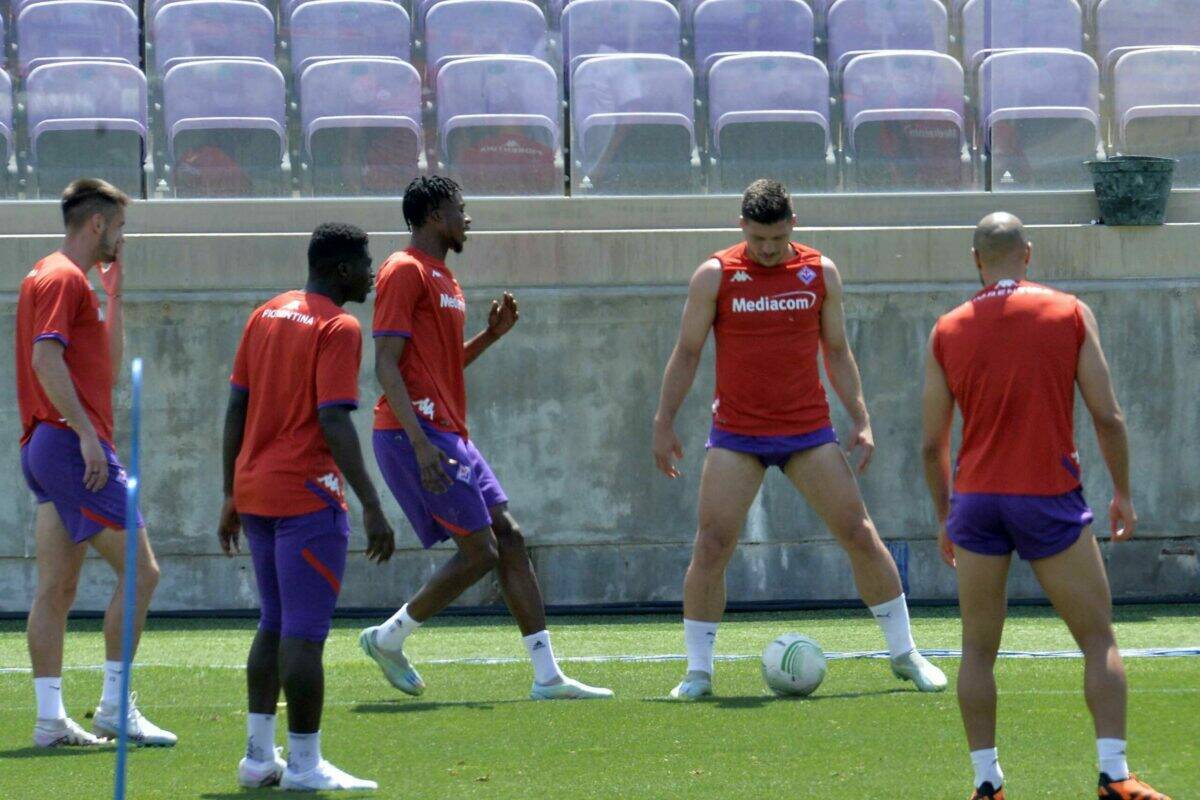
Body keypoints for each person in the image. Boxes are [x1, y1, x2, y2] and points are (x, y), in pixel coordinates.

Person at [652, 178, 946, 700]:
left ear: (794, 225)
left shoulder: (819, 272)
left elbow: (837, 351)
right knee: (712, 544)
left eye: (778, 238)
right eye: (760, 239)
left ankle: (906, 655)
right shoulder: (715, 275)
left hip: (807, 432)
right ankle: (698, 673)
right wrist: (663, 421)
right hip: (737, 435)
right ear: (742, 227)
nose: (768, 250)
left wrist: (861, 417)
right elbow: (688, 351)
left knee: (859, 534)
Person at [921, 213, 1172, 800]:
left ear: (976, 259)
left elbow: (932, 442)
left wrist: (944, 518)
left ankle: (987, 783)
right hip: (1048, 496)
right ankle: (1114, 774)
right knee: (1098, 639)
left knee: (978, 650)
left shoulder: (947, 328)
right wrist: (1124, 493)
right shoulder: (1069, 313)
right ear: (1028, 254)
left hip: (978, 503)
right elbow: (1108, 415)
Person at [358, 176, 611, 701]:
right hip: (418, 434)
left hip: (450, 432)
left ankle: (548, 677)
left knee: (510, 539)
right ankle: (387, 637)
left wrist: (491, 336)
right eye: (459, 209)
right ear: (433, 216)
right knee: (480, 553)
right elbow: (385, 364)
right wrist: (421, 445)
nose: (466, 218)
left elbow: (441, 366)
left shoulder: (445, 280)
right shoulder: (404, 270)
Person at [218, 223, 397, 791]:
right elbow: (332, 417)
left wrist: (230, 492)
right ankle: (303, 764)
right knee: (303, 633)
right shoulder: (339, 326)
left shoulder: (265, 313)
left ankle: (256, 758)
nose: (372, 274)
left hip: (255, 493)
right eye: (366, 264)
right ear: (342, 270)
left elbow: (235, 410)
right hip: (306, 498)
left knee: (272, 623)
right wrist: (371, 503)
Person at [17, 178, 176, 748]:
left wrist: (117, 294)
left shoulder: (63, 278)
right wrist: (85, 434)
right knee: (143, 571)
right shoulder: (62, 276)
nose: (121, 239)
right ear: (99, 224)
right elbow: (44, 358)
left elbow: (103, 369)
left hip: (46, 448)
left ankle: (49, 721)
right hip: (69, 444)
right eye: (120, 227)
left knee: (57, 589)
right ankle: (113, 706)